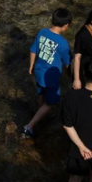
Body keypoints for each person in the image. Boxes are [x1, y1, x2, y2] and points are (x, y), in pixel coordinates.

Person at [23, 8, 73, 138]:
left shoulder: (42, 32)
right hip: (51, 77)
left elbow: (33, 49)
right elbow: (67, 62)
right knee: (51, 102)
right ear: (66, 25)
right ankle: (30, 126)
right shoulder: (63, 43)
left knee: (42, 94)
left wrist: (31, 65)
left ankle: (40, 114)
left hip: (38, 71)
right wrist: (70, 75)